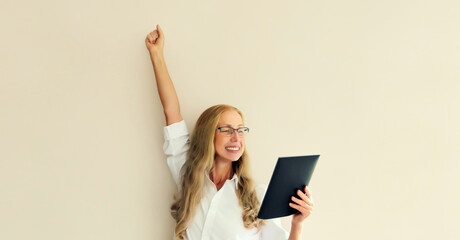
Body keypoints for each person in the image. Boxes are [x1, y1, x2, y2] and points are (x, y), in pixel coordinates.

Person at [145, 24, 314, 240]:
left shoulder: (258, 197)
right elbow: (171, 112)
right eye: (227, 130)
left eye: (241, 130)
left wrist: (297, 224)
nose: (237, 138)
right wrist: (156, 54)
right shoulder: (187, 175)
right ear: (209, 135)